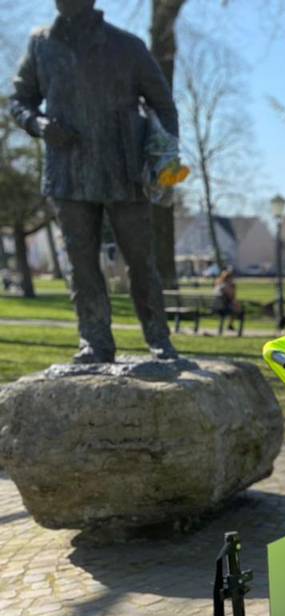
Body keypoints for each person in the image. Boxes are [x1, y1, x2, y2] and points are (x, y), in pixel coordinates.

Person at [9, 0, 180, 363]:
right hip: (67, 171)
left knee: (140, 260)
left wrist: (163, 157)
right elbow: (19, 100)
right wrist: (38, 126)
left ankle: (159, 339)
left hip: (124, 169)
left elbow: (163, 104)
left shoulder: (127, 46)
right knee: (80, 263)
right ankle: (95, 342)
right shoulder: (41, 44)